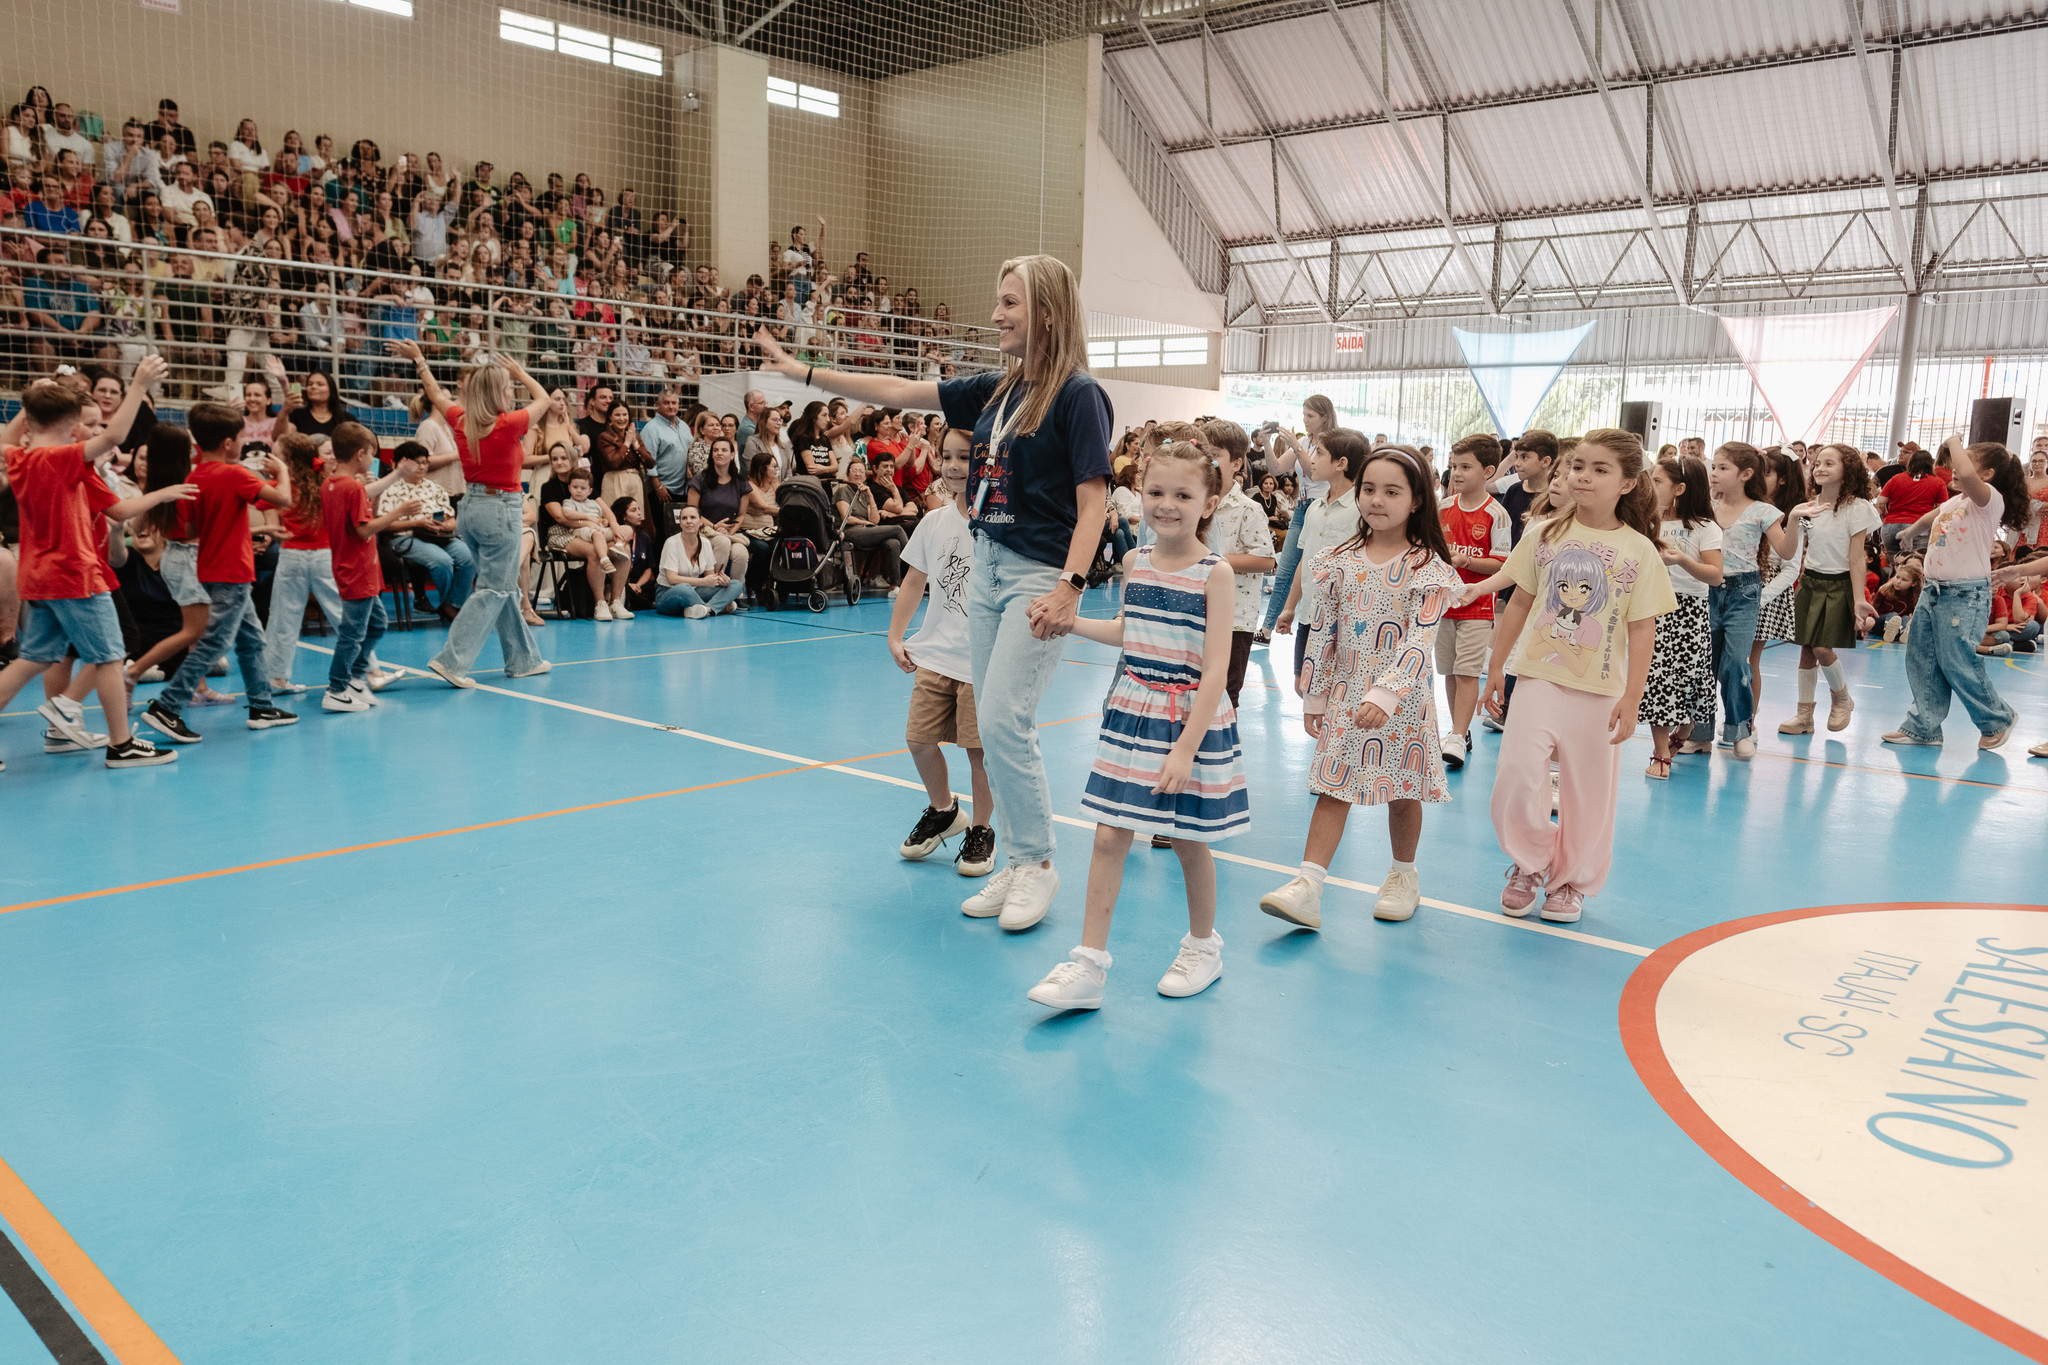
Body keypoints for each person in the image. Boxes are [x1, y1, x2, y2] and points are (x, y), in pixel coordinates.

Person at [753, 254, 1111, 935]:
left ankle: (1037, 863)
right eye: (996, 299)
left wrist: (1071, 587)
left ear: (1046, 313)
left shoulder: (1077, 394)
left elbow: (1094, 500)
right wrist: (802, 373)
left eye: (1010, 301)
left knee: (1005, 718)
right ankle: (1013, 858)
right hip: (989, 564)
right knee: (996, 720)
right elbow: (897, 389)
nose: (997, 313)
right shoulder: (997, 391)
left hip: (1039, 574)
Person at [1025, 440, 1245, 1010]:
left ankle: (1204, 946)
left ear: (1209, 502)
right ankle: (1088, 965)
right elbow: (1130, 631)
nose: (1166, 504)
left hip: (1189, 718)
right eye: (1155, 492)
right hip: (1132, 709)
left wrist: (1184, 750)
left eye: (1182, 494)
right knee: (1108, 832)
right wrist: (1069, 623)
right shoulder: (1134, 561)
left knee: (1188, 840)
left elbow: (1217, 669)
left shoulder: (1214, 573)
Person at [1470, 429, 1676, 924]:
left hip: (1601, 689)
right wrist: (1497, 667)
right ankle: (1529, 862)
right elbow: (1518, 600)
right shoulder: (1543, 533)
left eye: (1600, 469)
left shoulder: (1639, 550)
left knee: (1589, 791)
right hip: (1537, 676)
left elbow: (1642, 629)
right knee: (1517, 773)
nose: (1583, 476)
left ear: (1628, 484)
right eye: (1578, 465)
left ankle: (1570, 882)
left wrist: (1633, 697)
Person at [1260, 439, 1459, 930]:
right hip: (1347, 695)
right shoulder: (1335, 562)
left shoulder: (1428, 569)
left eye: (1392, 491)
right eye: (1369, 488)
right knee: (1332, 784)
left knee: (1403, 790)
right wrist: (1316, 694)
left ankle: (1403, 875)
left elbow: (1420, 639)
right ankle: (1308, 883)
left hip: (1405, 703)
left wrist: (1386, 694)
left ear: (1416, 501)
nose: (1376, 499)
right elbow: (1323, 631)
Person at [0, 362, 188, 771]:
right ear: (73, 428)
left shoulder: (18, 456)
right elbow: (116, 436)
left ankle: (72, 721)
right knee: (108, 656)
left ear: (30, 421)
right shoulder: (62, 458)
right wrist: (138, 384)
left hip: (37, 575)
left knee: (32, 658)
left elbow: (117, 508)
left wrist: (28, 404)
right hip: (73, 575)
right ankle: (121, 745)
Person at [392, 341, 553, 686]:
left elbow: (434, 394)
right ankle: (451, 660)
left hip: (470, 508)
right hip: (500, 508)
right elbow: (545, 399)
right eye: (508, 388)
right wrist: (522, 372)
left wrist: (420, 360)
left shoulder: (460, 419)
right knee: (494, 588)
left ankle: (523, 660)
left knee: (503, 587)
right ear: (497, 393)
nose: (512, 392)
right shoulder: (508, 423)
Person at [140, 401, 299, 744]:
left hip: (210, 565)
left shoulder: (194, 476)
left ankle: (261, 705)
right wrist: (282, 470)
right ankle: (167, 706)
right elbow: (283, 499)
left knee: (251, 639)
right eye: (241, 437)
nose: (243, 443)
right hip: (232, 569)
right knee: (215, 642)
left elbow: (193, 526)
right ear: (228, 442)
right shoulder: (235, 472)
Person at [888, 427, 997, 878]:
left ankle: (983, 830)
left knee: (978, 752)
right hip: (936, 654)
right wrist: (896, 635)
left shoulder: (998, 524)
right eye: (946, 457)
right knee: (918, 739)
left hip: (982, 661)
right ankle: (944, 809)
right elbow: (914, 581)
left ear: (985, 465)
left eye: (964, 458)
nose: (954, 466)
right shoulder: (933, 523)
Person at [1883, 440, 2029, 749]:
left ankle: (1997, 718)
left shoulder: (1988, 501)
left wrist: (1953, 442)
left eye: (1965, 462)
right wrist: (1909, 533)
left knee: (1956, 661)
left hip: (1963, 595)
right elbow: (1930, 517)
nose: (1954, 468)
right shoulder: (1955, 502)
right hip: (1933, 590)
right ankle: (1924, 726)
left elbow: (1964, 470)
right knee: (1921, 658)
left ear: (1986, 474)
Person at [1769, 443, 1879, 736]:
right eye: (1817, 463)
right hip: (1811, 582)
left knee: (1821, 647)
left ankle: (1841, 696)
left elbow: (1856, 557)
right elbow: (1798, 550)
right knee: (1806, 650)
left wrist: (1858, 600)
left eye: (1829, 463)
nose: (1820, 468)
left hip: (1839, 585)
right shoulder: (1810, 506)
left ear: (1848, 470)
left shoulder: (1857, 507)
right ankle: (1804, 715)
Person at [320, 427, 420, 712]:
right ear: (360, 455)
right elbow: (364, 529)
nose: (373, 459)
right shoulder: (350, 487)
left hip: (354, 567)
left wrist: (396, 476)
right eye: (372, 454)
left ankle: (353, 677)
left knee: (376, 623)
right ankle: (336, 688)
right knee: (352, 634)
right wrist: (398, 513)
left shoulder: (334, 483)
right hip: (357, 570)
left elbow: (364, 493)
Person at [1639, 454, 1723, 776]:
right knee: (1656, 678)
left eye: (1658, 481)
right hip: (1655, 608)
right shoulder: (1648, 522)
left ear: (1680, 488)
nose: (1651, 486)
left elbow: (1715, 575)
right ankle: (1661, 751)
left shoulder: (1704, 527)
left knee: (1692, 681)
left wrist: (1682, 561)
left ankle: (1685, 733)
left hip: (1688, 612)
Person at [1435, 434, 1511, 769]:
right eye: (1453, 466)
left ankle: (1456, 733)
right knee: (1450, 671)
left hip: (1477, 607)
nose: (1457, 473)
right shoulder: (1443, 509)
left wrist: (1466, 563)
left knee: (1467, 672)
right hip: (1443, 605)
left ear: (1489, 471)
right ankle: (1459, 731)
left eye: (1466, 466)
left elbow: (1502, 564)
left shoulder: (1497, 514)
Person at [1705, 442, 1779, 760]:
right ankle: (1698, 732)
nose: (1715, 474)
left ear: (1746, 474)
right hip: (1706, 589)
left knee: (1736, 663)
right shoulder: (1705, 507)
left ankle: (1740, 729)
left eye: (1723, 468)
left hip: (1744, 591)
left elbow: (1787, 552)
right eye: (1714, 467)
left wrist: (1802, 524)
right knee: (1705, 664)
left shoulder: (1763, 511)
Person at [1273, 428, 1364, 681]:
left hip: (1343, 620)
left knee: (1335, 691)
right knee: (1303, 686)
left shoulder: (1361, 510)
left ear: (1341, 464)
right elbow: (1307, 559)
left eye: (1320, 453)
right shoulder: (1314, 508)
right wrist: (1290, 607)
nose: (1311, 459)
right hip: (1308, 616)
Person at [1201, 419, 1276, 717]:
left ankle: (1223, 755)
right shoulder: (1197, 503)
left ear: (1236, 463)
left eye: (1215, 454)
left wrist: (1214, 560)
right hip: (1198, 613)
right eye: (1203, 453)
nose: (1208, 461)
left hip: (1235, 618)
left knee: (1226, 697)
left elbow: (1266, 560)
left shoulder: (1248, 509)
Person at [1257, 396, 1337, 645]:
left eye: (1310, 416)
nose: (1305, 420)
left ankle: (1316, 629)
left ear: (1324, 417)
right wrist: (1268, 442)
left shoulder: (1331, 443)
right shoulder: (1304, 441)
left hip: (1322, 508)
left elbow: (1313, 472)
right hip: (1302, 509)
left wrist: (1295, 444)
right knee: (1286, 570)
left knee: (1316, 571)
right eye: (1303, 415)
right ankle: (1267, 628)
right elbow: (1277, 468)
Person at [380, 440, 475, 620]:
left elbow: (449, 518)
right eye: (417, 463)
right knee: (443, 561)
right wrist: (417, 523)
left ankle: (451, 604)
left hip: (436, 535)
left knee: (468, 557)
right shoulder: (388, 488)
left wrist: (442, 525)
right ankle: (450, 607)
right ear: (402, 463)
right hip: (405, 536)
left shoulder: (434, 488)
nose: (422, 467)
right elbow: (383, 524)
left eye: (425, 463)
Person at [547, 467, 634, 619]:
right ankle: (599, 603)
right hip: (572, 532)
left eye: (583, 488)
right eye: (575, 487)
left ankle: (616, 602)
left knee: (625, 539)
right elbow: (562, 516)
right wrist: (588, 520)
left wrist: (610, 524)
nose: (579, 490)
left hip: (597, 530)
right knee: (595, 550)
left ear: (589, 490)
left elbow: (605, 516)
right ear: (569, 487)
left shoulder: (593, 500)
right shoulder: (561, 496)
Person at [655, 504, 743, 618]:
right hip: (668, 593)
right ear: (680, 523)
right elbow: (672, 579)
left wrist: (722, 581)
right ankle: (719, 607)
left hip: (695, 591)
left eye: (693, 517)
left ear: (700, 522)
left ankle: (705, 609)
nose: (688, 521)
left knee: (736, 584)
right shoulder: (671, 543)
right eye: (684, 518)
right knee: (684, 588)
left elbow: (709, 576)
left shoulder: (705, 543)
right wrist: (703, 582)